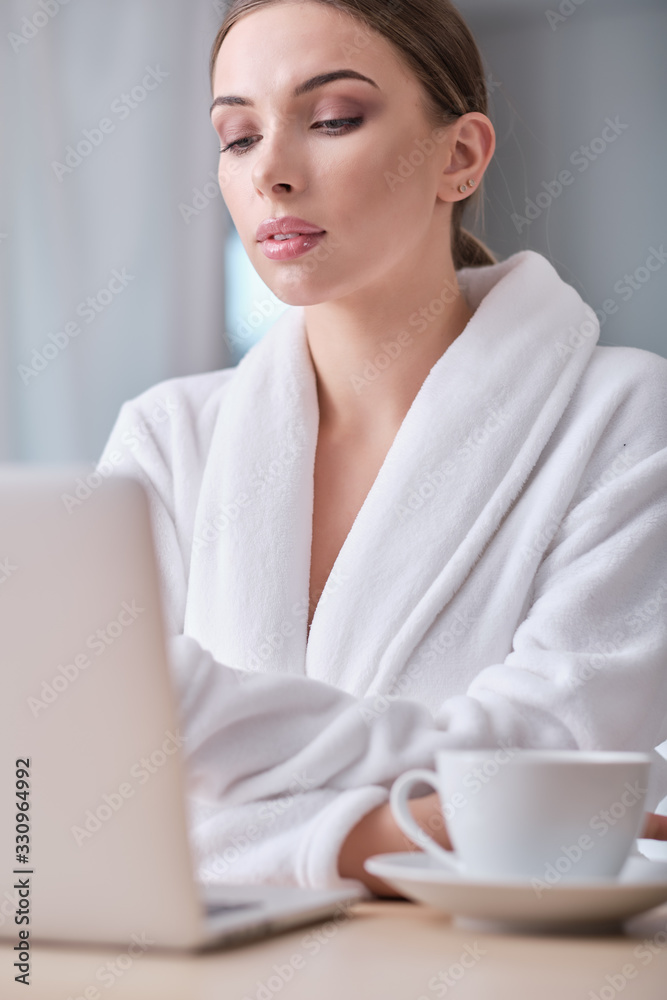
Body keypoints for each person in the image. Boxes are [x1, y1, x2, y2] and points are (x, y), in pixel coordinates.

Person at [97, 0, 667, 897]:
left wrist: (194, 722)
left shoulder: (626, 418)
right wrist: (401, 827)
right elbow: (64, 802)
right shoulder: (167, 440)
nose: (271, 174)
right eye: (238, 136)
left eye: (331, 120)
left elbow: (559, 772)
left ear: (460, 155)